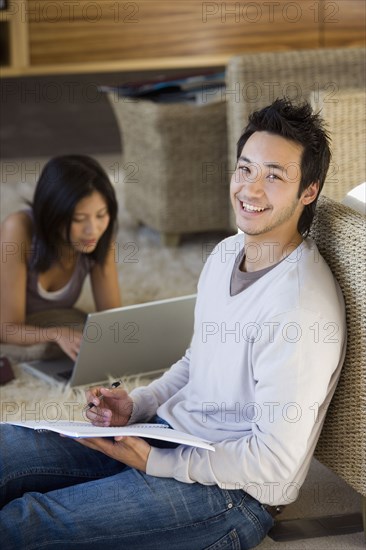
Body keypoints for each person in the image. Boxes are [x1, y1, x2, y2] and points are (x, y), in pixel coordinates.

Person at [0, 99, 346, 549]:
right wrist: (139, 406)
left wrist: (155, 463)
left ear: (309, 191)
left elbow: (274, 464)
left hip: (231, 494)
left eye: (274, 176)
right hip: (166, 432)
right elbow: (195, 361)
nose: (250, 189)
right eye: (245, 169)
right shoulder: (227, 253)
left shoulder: (299, 310)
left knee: (23, 523)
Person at [0, 155, 121, 362]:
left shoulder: (99, 237)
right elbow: (7, 329)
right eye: (78, 219)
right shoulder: (19, 229)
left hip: (48, 319)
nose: (93, 230)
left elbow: (112, 320)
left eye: (101, 215)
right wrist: (57, 333)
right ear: (52, 214)